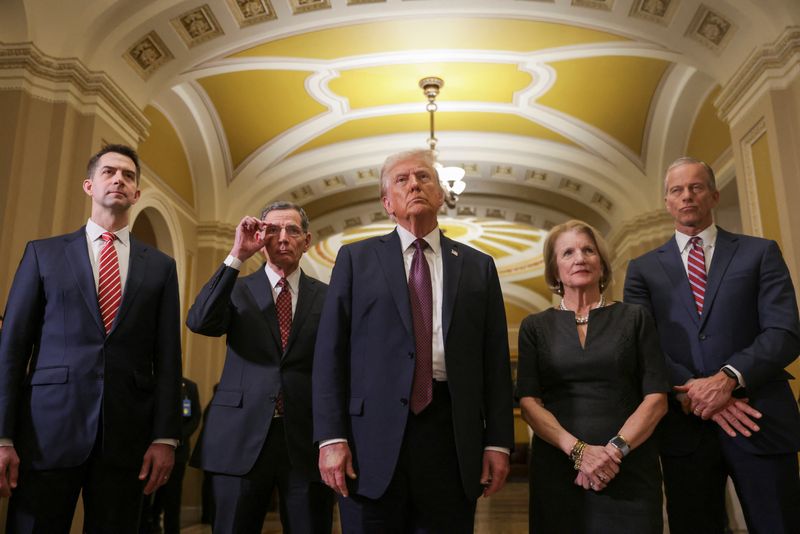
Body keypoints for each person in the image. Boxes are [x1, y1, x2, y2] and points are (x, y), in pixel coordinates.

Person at [313, 149, 515, 532]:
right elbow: (329, 355)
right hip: (368, 439)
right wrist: (331, 437)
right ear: (387, 203)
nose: (414, 184)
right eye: (402, 180)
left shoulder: (478, 266)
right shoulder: (355, 260)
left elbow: (495, 363)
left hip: (452, 436)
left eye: (424, 177)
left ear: (441, 195)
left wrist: (498, 442)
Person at [0, 144, 182, 532]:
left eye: (129, 176)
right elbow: (12, 350)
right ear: (89, 185)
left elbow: (168, 359)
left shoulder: (162, 268)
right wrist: (3, 435)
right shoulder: (43, 255)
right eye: (109, 172)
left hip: (126, 436)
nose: (119, 179)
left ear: (136, 194)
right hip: (46, 433)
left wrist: (165, 437)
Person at [624, 157, 800, 533]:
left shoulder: (760, 252)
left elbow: (784, 332)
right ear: (667, 202)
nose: (687, 196)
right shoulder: (642, 270)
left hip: (758, 418)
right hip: (685, 430)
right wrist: (698, 395)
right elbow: (643, 346)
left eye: (696, 187)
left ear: (714, 195)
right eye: (677, 190)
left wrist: (727, 379)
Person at [187, 201, 334, 534]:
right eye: (273, 230)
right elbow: (199, 321)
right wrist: (237, 254)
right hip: (240, 437)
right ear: (260, 235)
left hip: (307, 438)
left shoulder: (330, 296)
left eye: (292, 230)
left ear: (307, 240)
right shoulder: (235, 289)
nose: (283, 238)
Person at [516, 220, 668, 533]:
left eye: (588, 250)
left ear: (602, 263)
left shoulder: (635, 317)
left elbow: (656, 398)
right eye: (568, 253)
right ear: (555, 270)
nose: (580, 258)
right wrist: (579, 452)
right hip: (559, 470)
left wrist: (611, 453)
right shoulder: (534, 327)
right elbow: (529, 402)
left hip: (628, 467)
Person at [141, 377, 201, 534]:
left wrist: (175, 439)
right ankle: (146, 527)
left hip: (179, 453)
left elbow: (195, 418)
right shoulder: (154, 381)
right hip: (150, 450)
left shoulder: (190, 386)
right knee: (145, 495)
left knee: (172, 497)